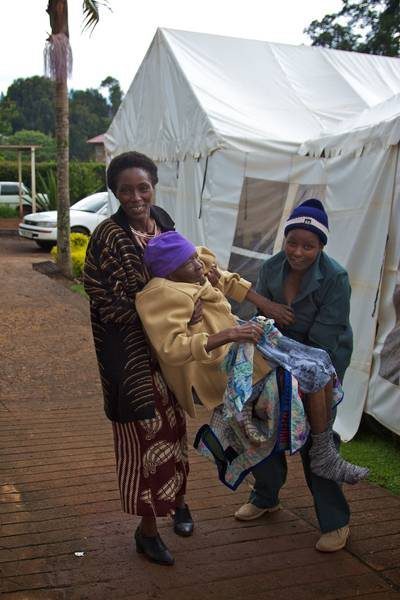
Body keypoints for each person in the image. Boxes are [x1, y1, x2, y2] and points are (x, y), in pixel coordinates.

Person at [135, 231, 366, 487]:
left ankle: (322, 452)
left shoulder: (195, 267)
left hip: (241, 341)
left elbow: (227, 280)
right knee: (302, 381)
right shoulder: (162, 295)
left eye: (194, 257)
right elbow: (172, 348)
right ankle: (315, 457)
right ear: (170, 272)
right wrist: (222, 331)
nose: (198, 263)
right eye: (190, 262)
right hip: (218, 365)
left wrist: (264, 305)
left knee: (320, 362)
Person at [84, 151, 195, 567]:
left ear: (154, 187)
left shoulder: (162, 220)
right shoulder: (108, 238)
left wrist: (184, 305)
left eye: (143, 187)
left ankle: (178, 503)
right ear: (114, 191)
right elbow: (109, 303)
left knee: (175, 428)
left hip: (168, 354)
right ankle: (147, 531)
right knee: (144, 439)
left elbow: (183, 267)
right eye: (126, 189)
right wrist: (173, 311)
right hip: (129, 359)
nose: (136, 197)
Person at [234, 198, 356, 553]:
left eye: (308, 245)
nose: (298, 252)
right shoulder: (272, 268)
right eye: (292, 242)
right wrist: (268, 317)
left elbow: (321, 343)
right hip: (276, 359)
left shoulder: (336, 278)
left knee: (317, 439)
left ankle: (336, 521)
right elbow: (264, 322)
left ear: (321, 247)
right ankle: (266, 495)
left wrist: (278, 345)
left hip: (320, 364)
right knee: (261, 426)